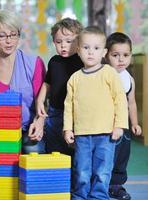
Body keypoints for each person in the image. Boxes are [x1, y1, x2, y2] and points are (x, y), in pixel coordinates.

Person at [63, 26, 129, 199]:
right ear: (78, 51)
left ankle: (99, 196)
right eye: (86, 48)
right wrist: (68, 129)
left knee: (103, 170)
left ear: (104, 52)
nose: (91, 52)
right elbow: (68, 106)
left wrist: (120, 125)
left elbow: (120, 100)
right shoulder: (75, 78)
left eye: (96, 48)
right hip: (82, 135)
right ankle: (80, 195)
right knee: (82, 170)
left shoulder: (109, 73)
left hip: (106, 134)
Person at [0, 10, 46, 153]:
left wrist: (40, 122)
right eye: (2, 36)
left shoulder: (34, 64)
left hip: (29, 130)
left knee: (33, 163)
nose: (9, 40)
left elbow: (43, 104)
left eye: (13, 34)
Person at [36, 18, 83, 155]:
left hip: (75, 112)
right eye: (59, 42)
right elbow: (47, 83)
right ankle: (55, 171)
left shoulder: (82, 61)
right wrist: (40, 100)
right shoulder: (54, 61)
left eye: (69, 42)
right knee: (53, 144)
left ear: (79, 42)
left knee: (74, 146)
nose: (63, 46)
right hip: (55, 110)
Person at [105, 32, 142, 200]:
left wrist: (134, 122)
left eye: (126, 55)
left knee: (121, 156)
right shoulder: (102, 74)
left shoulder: (129, 79)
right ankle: (98, 183)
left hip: (123, 125)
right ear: (106, 55)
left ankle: (116, 185)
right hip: (103, 124)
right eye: (115, 55)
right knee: (103, 155)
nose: (121, 60)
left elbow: (131, 102)